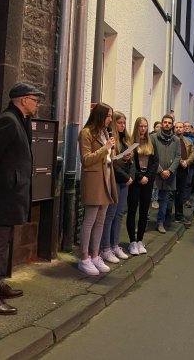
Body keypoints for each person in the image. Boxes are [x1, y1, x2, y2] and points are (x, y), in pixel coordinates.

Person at [0, 82, 43, 315]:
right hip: (3, 194)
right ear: (22, 100)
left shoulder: (22, 120)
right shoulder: (8, 120)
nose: (37, 103)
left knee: (3, 244)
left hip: (13, 193)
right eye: (35, 99)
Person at [77, 102, 117, 275]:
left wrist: (112, 153)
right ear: (100, 116)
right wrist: (105, 148)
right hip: (94, 180)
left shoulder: (103, 132)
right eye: (108, 116)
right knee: (90, 220)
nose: (110, 120)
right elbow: (86, 159)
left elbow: (105, 155)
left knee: (101, 220)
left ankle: (95, 255)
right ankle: (84, 258)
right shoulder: (85, 133)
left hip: (106, 177)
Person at [99, 111, 132, 264]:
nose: (122, 126)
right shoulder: (111, 139)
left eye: (124, 123)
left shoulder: (126, 139)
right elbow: (111, 162)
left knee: (119, 215)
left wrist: (127, 159)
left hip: (124, 181)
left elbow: (123, 162)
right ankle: (105, 248)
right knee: (110, 215)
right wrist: (126, 176)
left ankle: (115, 245)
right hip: (115, 180)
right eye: (119, 123)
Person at [126, 116, 157, 255]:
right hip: (135, 182)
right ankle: (132, 242)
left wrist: (147, 177)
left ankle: (140, 240)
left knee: (144, 212)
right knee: (132, 211)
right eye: (141, 126)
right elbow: (130, 164)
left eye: (145, 126)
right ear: (136, 127)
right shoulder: (131, 142)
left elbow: (155, 163)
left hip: (147, 181)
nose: (143, 129)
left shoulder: (151, 143)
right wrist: (139, 177)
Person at [151, 115, 180, 233]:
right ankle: (144, 222)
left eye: (169, 122)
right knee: (148, 199)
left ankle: (160, 222)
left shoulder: (176, 140)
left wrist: (170, 170)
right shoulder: (153, 138)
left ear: (172, 124)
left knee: (164, 200)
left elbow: (178, 156)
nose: (167, 124)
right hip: (155, 173)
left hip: (169, 175)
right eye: (165, 122)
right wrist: (160, 170)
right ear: (162, 123)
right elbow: (151, 155)